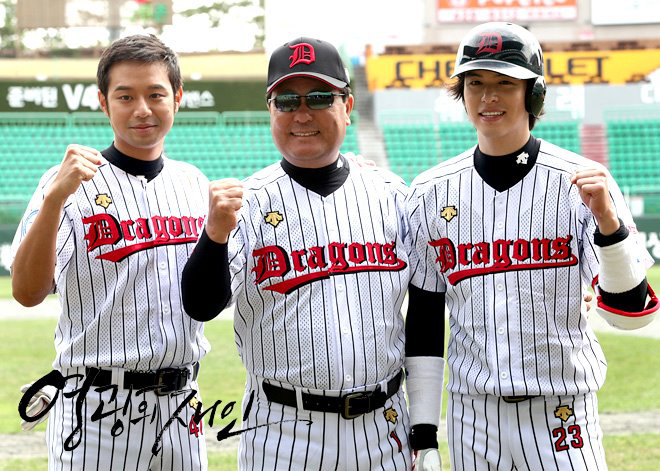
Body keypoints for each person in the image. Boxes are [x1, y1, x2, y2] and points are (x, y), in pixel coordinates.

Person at [405, 22, 658, 470]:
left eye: (505, 83)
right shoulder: (430, 191)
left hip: (562, 409)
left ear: (534, 94)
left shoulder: (582, 182)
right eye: (475, 83)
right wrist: (424, 432)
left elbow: (629, 313)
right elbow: (425, 316)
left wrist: (607, 223)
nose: (488, 97)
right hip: (473, 415)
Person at [181, 37, 435, 469]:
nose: (302, 114)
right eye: (286, 100)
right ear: (270, 110)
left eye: (319, 97)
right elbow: (201, 305)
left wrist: (425, 429)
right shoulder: (246, 203)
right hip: (282, 431)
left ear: (347, 106)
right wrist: (214, 235)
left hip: (384, 427)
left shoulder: (392, 195)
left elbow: (429, 308)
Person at [12, 34, 209, 470]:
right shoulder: (64, 182)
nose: (142, 109)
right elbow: (26, 292)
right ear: (104, 103)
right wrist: (55, 199)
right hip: (95, 404)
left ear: (177, 97)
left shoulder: (195, 184)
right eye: (125, 96)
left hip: (182, 404)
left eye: (155, 94)